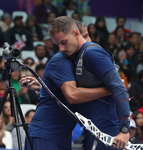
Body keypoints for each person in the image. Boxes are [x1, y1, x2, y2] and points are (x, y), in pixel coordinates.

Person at [22, 17, 130, 150]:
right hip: (52, 135)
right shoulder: (67, 58)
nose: (61, 48)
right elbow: (72, 93)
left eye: (64, 42)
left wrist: (124, 129)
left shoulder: (91, 53)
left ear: (75, 33)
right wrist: (43, 86)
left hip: (103, 133)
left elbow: (118, 87)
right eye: (57, 44)